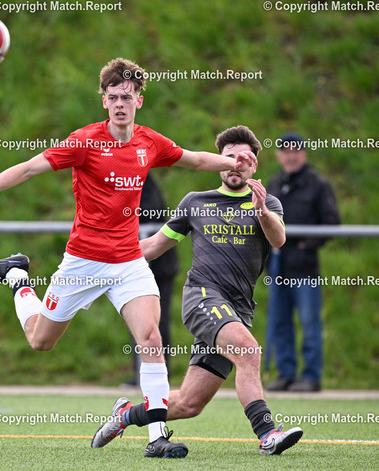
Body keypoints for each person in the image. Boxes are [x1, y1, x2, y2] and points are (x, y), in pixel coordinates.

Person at [0, 58, 255, 458]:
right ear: (104, 100)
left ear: (139, 100)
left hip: (127, 261)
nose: (120, 103)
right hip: (83, 261)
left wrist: (232, 163)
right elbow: (29, 168)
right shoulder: (85, 141)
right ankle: (17, 277)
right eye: (113, 97)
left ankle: (157, 437)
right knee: (40, 341)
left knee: (151, 338)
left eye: (127, 96)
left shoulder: (149, 143)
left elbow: (194, 159)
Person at [91, 125, 303, 456]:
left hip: (237, 310)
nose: (236, 165)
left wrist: (261, 210)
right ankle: (268, 435)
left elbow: (278, 240)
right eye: (229, 158)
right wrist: (103, 255)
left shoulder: (267, 202)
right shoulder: (196, 202)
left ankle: (125, 415)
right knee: (249, 351)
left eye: (244, 159)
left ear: (254, 166)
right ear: (218, 162)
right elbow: (153, 246)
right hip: (202, 297)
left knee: (189, 403)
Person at [264, 133, 340, 392]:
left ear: (304, 154)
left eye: (295, 151)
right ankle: (285, 373)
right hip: (277, 266)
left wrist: (306, 245)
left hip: (305, 266)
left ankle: (311, 376)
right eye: (286, 151)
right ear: (279, 156)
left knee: (309, 322)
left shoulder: (318, 185)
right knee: (280, 321)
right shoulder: (274, 184)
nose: (291, 156)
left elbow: (331, 222)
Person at [124, 173, 179, 387]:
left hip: (157, 267)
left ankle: (160, 376)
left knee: (157, 323)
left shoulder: (141, 178)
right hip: (134, 265)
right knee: (136, 321)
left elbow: (151, 215)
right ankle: (141, 374)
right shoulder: (122, 177)